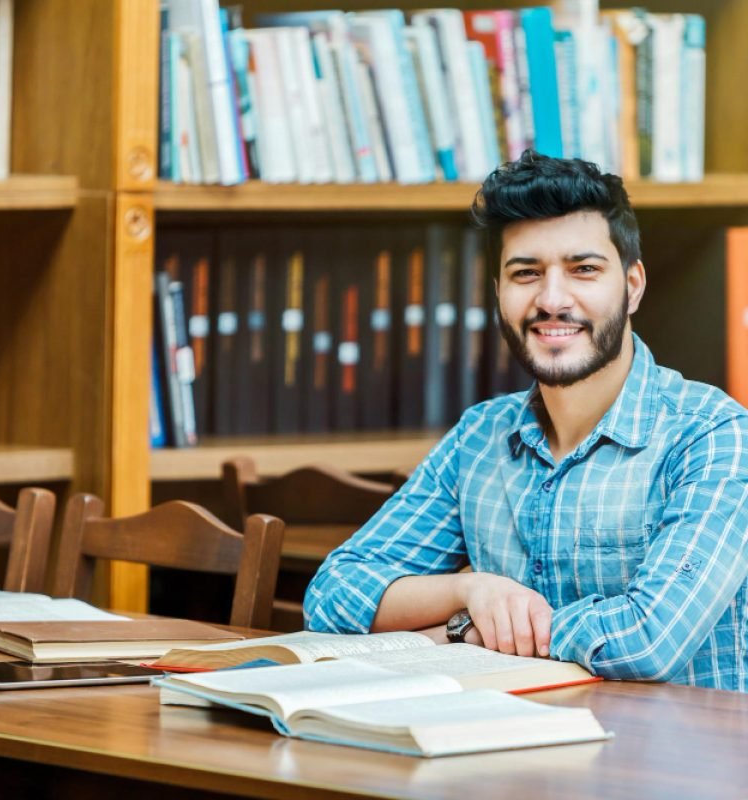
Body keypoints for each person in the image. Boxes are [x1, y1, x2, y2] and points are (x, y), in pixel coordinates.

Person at [304, 150, 748, 691]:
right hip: (516, 752)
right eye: (526, 273)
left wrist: (465, 634)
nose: (552, 299)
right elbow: (332, 595)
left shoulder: (712, 435)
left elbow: (649, 640)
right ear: (498, 293)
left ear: (632, 286)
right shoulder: (480, 437)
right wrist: (472, 594)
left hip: (673, 766)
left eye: (584, 269)